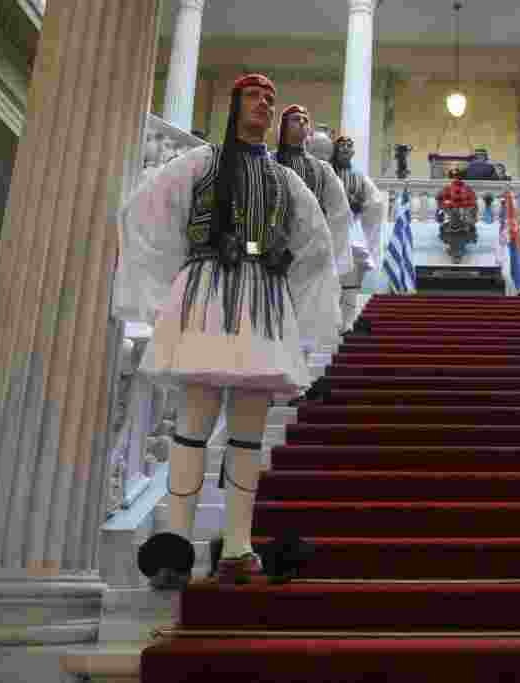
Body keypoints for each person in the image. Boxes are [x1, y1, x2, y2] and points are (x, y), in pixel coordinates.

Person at [114, 74, 341, 588]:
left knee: (247, 433)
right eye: (255, 96)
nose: (263, 104)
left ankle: (238, 547)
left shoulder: (287, 181)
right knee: (193, 425)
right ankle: (175, 544)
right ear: (235, 104)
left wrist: (296, 296)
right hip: (210, 290)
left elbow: (319, 244)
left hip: (261, 299)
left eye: (270, 98)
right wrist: (171, 286)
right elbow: (146, 214)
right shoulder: (200, 163)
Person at [275, 104, 352, 330]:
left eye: (304, 120)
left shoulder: (322, 169)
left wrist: (330, 250)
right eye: (295, 119)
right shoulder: (268, 161)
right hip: (274, 247)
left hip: (310, 251)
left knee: (306, 319)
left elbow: (340, 212)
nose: (301, 123)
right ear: (282, 126)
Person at [330, 135, 388, 332]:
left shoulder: (359, 177)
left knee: (352, 275)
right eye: (342, 146)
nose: (346, 150)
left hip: (349, 231)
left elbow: (375, 202)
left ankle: (347, 322)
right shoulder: (326, 172)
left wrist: (362, 204)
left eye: (349, 146)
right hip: (327, 232)